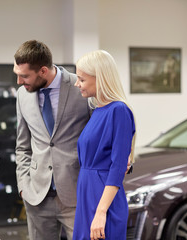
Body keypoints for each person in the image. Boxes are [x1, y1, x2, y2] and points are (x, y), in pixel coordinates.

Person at [13, 40, 91, 240]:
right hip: (36, 196)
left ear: (43, 71)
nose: (19, 82)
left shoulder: (80, 86)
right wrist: (23, 185)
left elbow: (102, 132)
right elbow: (22, 146)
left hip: (76, 194)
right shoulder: (22, 95)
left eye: (24, 76)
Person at [72, 50, 136, 240]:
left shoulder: (119, 110)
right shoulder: (98, 110)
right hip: (88, 194)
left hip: (103, 199)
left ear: (100, 78)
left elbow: (117, 167)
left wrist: (101, 213)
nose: (77, 84)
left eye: (81, 79)